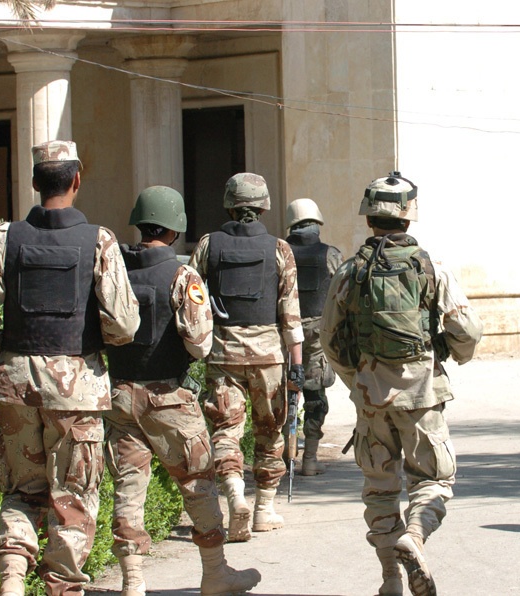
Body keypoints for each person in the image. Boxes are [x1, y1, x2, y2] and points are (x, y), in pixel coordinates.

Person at [0, 140, 141, 595]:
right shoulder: (99, 240)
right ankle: (63, 588)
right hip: (77, 393)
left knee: (21, 492)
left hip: (14, 388)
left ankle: (11, 582)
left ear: (33, 182)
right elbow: (124, 323)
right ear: (77, 180)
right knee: (74, 497)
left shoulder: (3, 238)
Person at [320, 172, 483, 596]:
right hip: (422, 396)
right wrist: (450, 355)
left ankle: (390, 579)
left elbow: (329, 339)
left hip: (371, 399)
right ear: (409, 216)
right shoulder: (431, 268)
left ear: (369, 216)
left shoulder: (350, 272)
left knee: (380, 488)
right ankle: (416, 534)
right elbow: (467, 331)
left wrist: (357, 380)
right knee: (434, 480)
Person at [103, 186, 261, 596]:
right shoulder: (182, 275)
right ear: (175, 230)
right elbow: (200, 343)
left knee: (128, 488)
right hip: (169, 398)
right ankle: (215, 573)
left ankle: (132, 581)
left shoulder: (114, 268)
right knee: (199, 485)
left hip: (119, 395)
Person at [189, 172, 304, 544]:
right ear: (264, 205)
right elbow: (291, 314)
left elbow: (190, 298)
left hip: (222, 354)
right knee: (270, 433)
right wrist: (297, 366)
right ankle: (264, 509)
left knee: (226, 431)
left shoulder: (208, 245)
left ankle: (235, 494)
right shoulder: (279, 249)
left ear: (229, 203)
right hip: (269, 356)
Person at [283, 198, 343, 476]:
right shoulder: (331, 254)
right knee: (315, 395)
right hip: (319, 334)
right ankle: (310, 459)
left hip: (284, 334)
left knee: (285, 395)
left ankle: (286, 454)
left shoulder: (278, 251)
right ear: (317, 223)